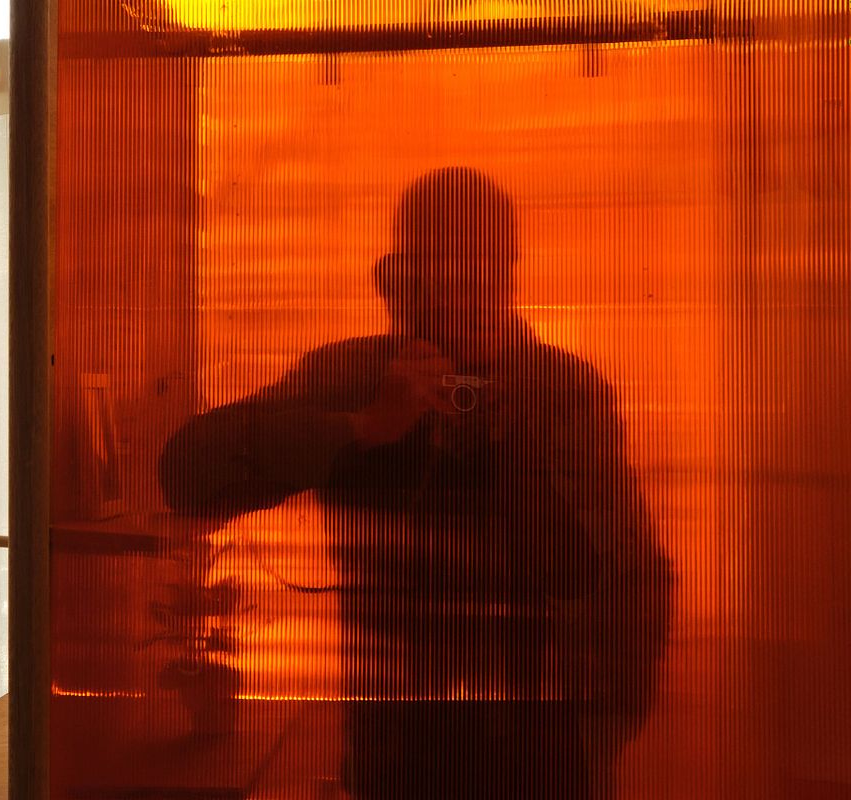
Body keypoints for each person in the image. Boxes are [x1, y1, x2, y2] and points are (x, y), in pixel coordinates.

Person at [158, 167, 672, 799]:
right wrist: (366, 425)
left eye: (482, 261)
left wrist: (604, 728)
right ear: (402, 272)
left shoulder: (564, 390)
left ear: (508, 266)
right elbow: (186, 471)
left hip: (549, 749)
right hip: (400, 750)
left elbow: (635, 573)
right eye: (444, 262)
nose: (466, 282)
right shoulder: (351, 375)